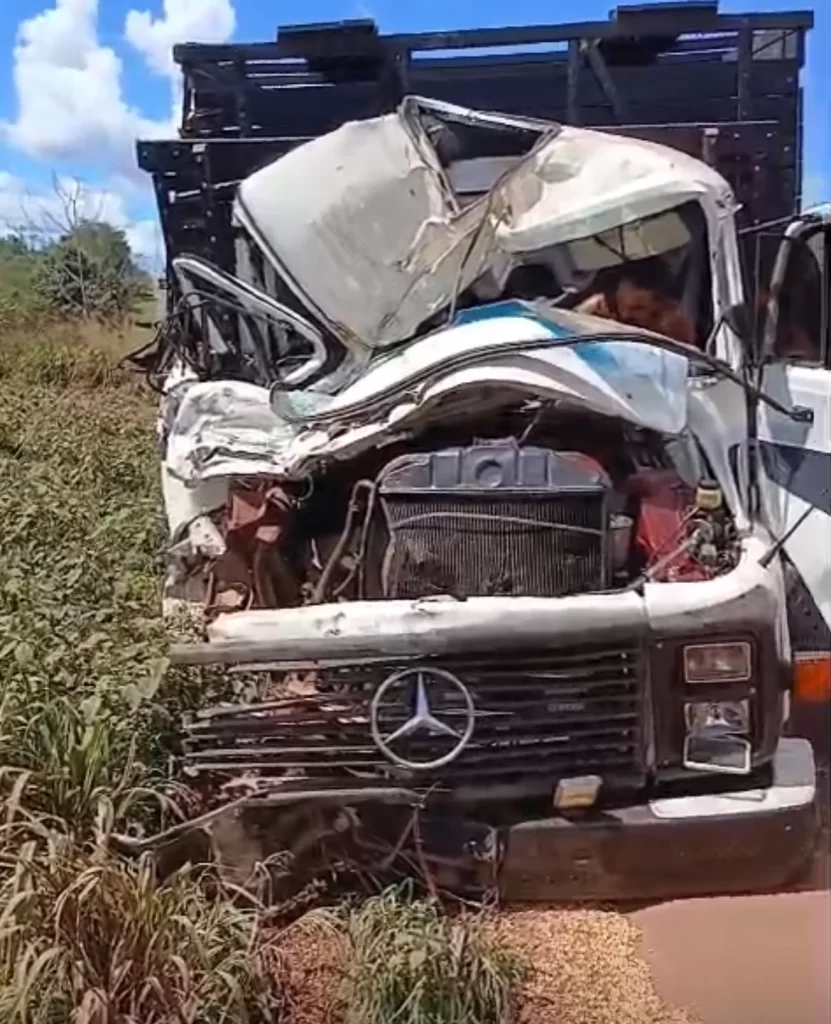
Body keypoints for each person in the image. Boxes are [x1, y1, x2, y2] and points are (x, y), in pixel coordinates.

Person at [575, 258, 697, 346]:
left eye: (639, 307)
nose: (627, 314)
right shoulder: (599, 310)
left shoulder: (676, 324)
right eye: (635, 308)